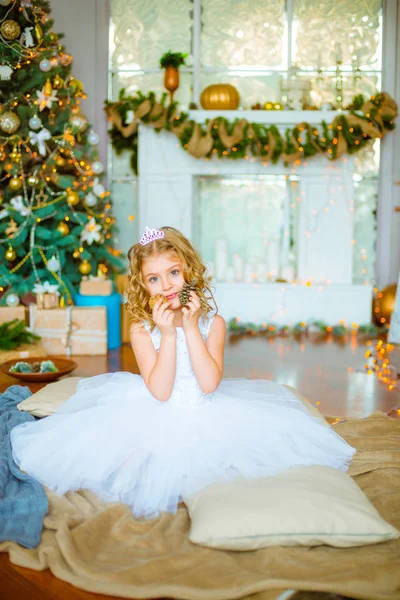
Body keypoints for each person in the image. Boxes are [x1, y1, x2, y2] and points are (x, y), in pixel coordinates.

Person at [11, 226, 355, 519]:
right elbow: (160, 391)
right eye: (154, 279)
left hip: (208, 408)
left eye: (173, 272)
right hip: (154, 410)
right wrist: (168, 333)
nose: (167, 285)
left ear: (189, 270)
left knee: (241, 471)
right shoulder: (143, 330)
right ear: (144, 286)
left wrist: (190, 327)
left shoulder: (212, 324)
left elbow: (208, 384)